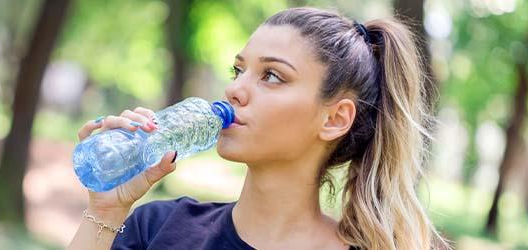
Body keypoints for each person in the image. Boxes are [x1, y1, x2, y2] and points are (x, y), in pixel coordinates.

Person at [68, 7, 448, 250]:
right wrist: (106, 210)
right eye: (238, 70)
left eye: (271, 75)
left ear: (334, 118)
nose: (235, 89)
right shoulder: (159, 229)